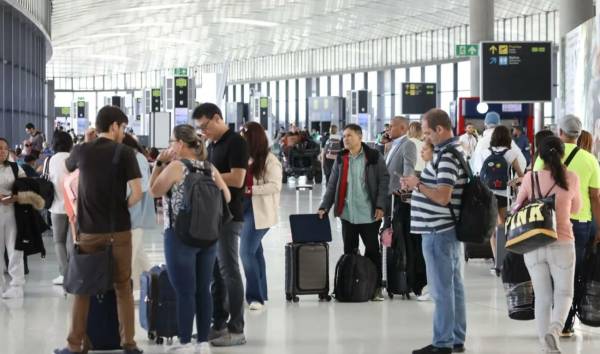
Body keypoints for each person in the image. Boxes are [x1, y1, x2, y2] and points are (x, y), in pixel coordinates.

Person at [54, 105, 143, 354]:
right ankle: (129, 344)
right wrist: (120, 206)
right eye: (123, 127)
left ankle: (75, 346)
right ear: (114, 126)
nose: (124, 133)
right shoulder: (125, 153)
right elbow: (136, 193)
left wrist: (85, 142)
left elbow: (68, 170)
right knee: (123, 287)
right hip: (119, 232)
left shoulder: (81, 150)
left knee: (83, 289)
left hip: (89, 233)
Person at [149, 124, 230, 353]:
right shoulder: (208, 167)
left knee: (184, 291)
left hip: (179, 236)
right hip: (209, 237)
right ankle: (202, 342)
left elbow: (153, 190)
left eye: (171, 141)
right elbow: (227, 194)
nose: (169, 145)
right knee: (203, 288)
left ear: (180, 144)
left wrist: (159, 163)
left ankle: (184, 342)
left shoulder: (176, 166)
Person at [401, 109, 467, 354]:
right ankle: (455, 338)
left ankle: (442, 343)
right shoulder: (451, 151)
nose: (426, 137)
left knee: (441, 290)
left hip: (438, 231)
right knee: (453, 287)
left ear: (440, 129)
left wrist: (417, 184)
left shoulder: (447, 156)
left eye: (428, 132)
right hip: (443, 231)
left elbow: (442, 196)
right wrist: (417, 184)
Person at [533, 115, 600, 337]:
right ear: (579, 135)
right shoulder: (590, 160)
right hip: (580, 225)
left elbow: (534, 189)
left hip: (547, 222)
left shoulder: (543, 158)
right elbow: (595, 197)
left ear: (559, 133)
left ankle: (551, 322)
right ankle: (565, 323)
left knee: (548, 274)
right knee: (572, 274)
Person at [514, 136, 581, 353]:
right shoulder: (571, 177)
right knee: (564, 293)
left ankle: (546, 347)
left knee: (542, 296)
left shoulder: (530, 178)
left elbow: (517, 208)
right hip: (562, 241)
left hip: (533, 242)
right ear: (562, 154)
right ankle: (555, 330)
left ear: (539, 155)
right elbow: (576, 209)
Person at [192, 103, 248, 347]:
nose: (204, 132)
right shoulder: (213, 145)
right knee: (216, 273)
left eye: (205, 126)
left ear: (217, 118)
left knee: (229, 271)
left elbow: (238, 178)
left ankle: (237, 329)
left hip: (229, 217)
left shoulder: (236, 142)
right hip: (213, 216)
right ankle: (218, 324)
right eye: (200, 130)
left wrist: (204, 173)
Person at [318, 124, 390, 301]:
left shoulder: (373, 156)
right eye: (344, 136)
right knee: (349, 250)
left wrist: (381, 206)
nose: (346, 139)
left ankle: (376, 288)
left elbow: (383, 181)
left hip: (369, 214)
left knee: (372, 250)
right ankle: (349, 285)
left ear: (360, 137)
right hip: (348, 214)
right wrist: (324, 206)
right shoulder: (341, 158)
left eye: (349, 135)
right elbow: (332, 184)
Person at [239, 122, 282, 311]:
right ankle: (262, 292)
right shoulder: (242, 158)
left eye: (244, 136)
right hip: (242, 209)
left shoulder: (270, 160)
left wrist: (250, 190)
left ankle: (254, 296)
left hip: (259, 212)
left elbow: (275, 185)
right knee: (256, 253)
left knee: (245, 252)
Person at [479, 125, 524, 265]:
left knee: (492, 228)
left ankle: (497, 262)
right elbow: (522, 176)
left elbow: (481, 174)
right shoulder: (510, 154)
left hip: (488, 194)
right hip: (504, 194)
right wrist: (514, 182)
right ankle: (506, 260)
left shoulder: (484, 152)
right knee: (503, 226)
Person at [122, 134, 153, 299]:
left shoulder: (138, 158)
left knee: (130, 254)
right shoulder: (135, 157)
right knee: (139, 254)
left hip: (135, 211)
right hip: (133, 211)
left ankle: (125, 292)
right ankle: (156, 286)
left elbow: (139, 187)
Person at [0, 137, 27, 299]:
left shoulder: (16, 168)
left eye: (4, 148)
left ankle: (17, 285)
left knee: (14, 248)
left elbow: (26, 187)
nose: (2, 151)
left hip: (12, 212)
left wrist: (14, 197)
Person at [47, 131, 74, 286]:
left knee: (59, 241)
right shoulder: (72, 158)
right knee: (72, 241)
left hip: (56, 207)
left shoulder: (51, 160)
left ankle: (63, 275)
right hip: (73, 207)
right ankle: (73, 272)